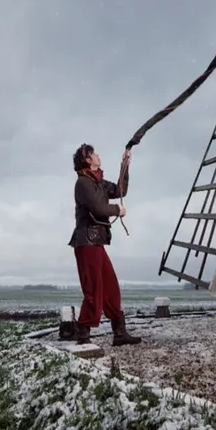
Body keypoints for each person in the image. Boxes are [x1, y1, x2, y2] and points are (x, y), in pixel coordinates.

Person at [68, 143, 142, 346]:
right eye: (94, 154)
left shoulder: (98, 181)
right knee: (93, 290)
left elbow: (120, 190)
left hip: (97, 243)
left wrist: (125, 164)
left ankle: (119, 333)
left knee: (110, 288)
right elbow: (99, 208)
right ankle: (82, 334)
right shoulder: (83, 183)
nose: (98, 155)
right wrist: (117, 210)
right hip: (86, 242)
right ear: (87, 160)